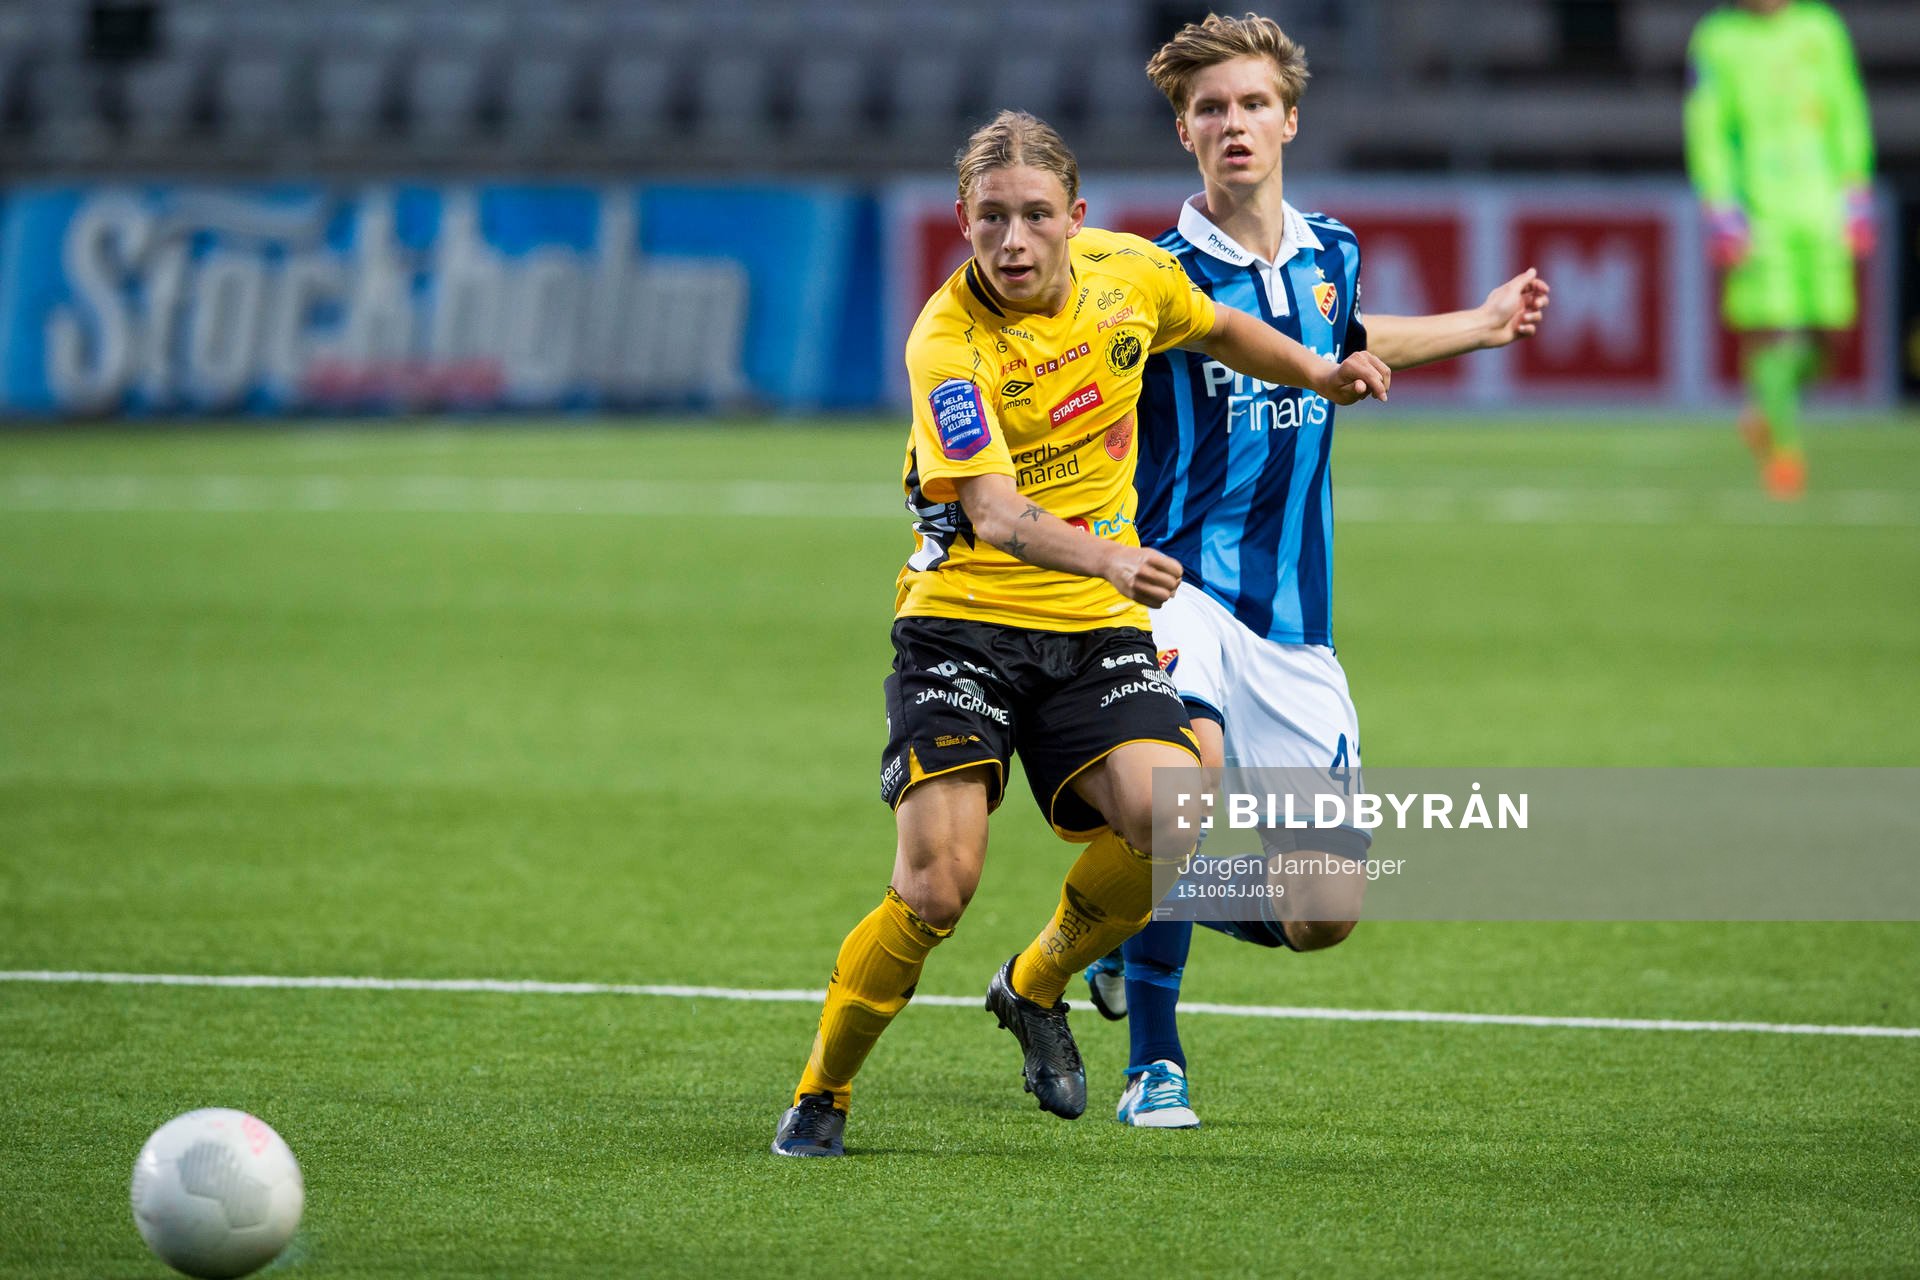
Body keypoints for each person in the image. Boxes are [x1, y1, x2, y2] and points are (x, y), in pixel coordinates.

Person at [772, 109, 1391, 1157]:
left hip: (1091, 632)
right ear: (962, 220)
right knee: (937, 883)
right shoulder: (948, 342)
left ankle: (1038, 982)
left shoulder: (1128, 273)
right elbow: (998, 516)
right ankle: (823, 1089)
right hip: (964, 626)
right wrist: (1112, 555)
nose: (1013, 241)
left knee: (1175, 809)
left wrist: (1315, 370)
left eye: (1035, 217)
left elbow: (1217, 326)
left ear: (1076, 218)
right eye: (991, 220)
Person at [1079, 12, 1552, 1129]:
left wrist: (1479, 326)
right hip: (1177, 591)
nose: (1233, 124)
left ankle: (1122, 916)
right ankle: (1156, 1061)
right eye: (1210, 109)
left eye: (1252, 104)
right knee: (1177, 795)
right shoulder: (1150, 276)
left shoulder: (1332, 251)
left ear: (1289, 119)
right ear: (1184, 132)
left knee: (1324, 909)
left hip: (1294, 624)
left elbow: (1344, 336)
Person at [1685, 0, 1874, 500]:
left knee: (1833, 333)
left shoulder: (1822, 27)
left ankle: (1765, 410)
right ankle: (1785, 454)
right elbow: (1707, 125)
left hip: (1823, 206)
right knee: (1769, 331)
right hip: (1760, 210)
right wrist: (1721, 205)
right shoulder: (1717, 37)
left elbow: (1847, 110)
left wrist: (1856, 191)